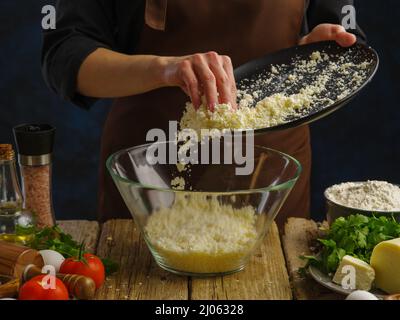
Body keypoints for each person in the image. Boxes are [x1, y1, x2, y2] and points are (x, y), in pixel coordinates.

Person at [42, 0, 366, 227]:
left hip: (268, 180)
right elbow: (65, 54)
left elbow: (346, 39)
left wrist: (319, 52)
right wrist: (164, 68)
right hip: (150, 171)